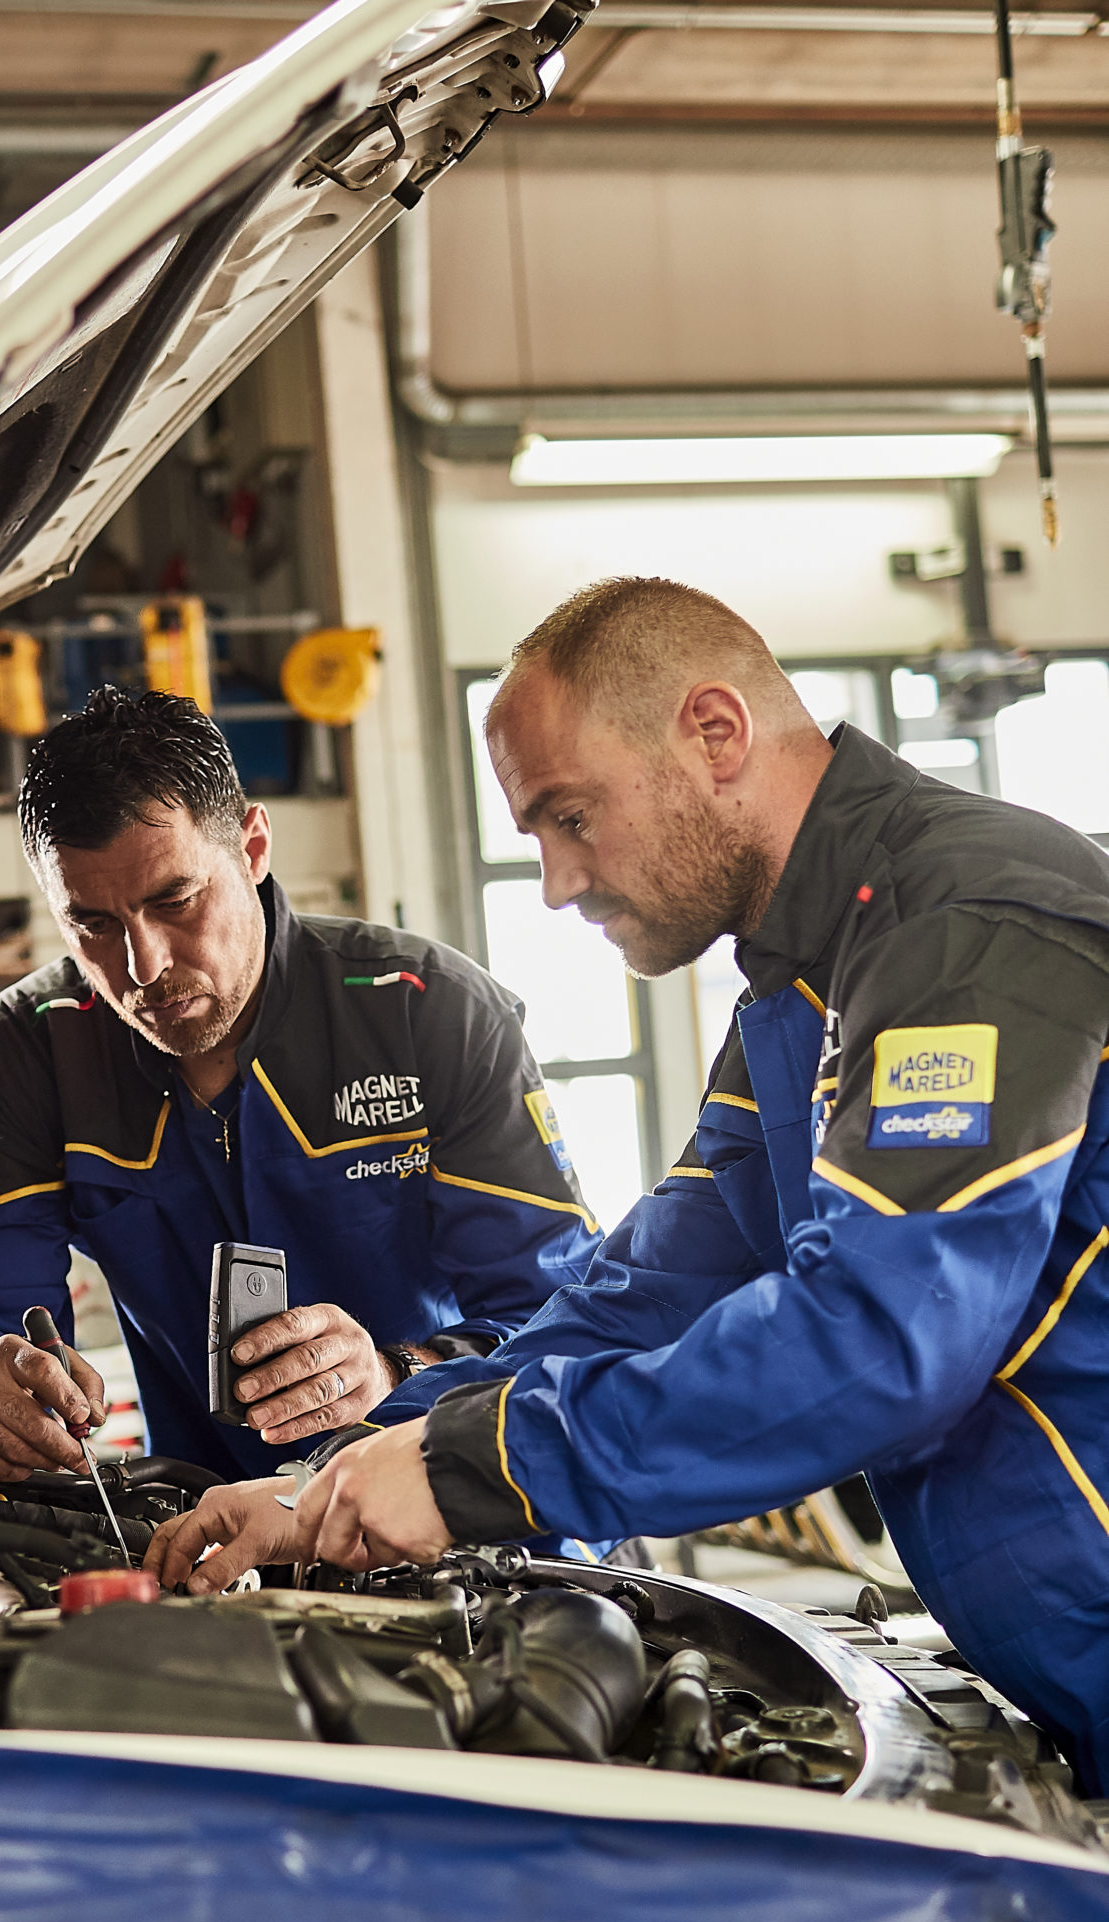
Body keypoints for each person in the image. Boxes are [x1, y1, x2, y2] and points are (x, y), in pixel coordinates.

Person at [149, 576, 1109, 1789]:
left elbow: (879, 1342)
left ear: (714, 733)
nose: (555, 882)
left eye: (570, 817)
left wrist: (472, 1472)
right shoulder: (803, 987)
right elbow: (641, 1295)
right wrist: (325, 1480)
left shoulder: (965, 924)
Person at [0, 685, 598, 1482]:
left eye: (175, 900)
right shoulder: (26, 1050)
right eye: (92, 924)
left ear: (253, 846)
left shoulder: (430, 1014)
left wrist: (399, 1373)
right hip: (213, 1535)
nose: (144, 966)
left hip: (471, 1515)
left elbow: (568, 1319)